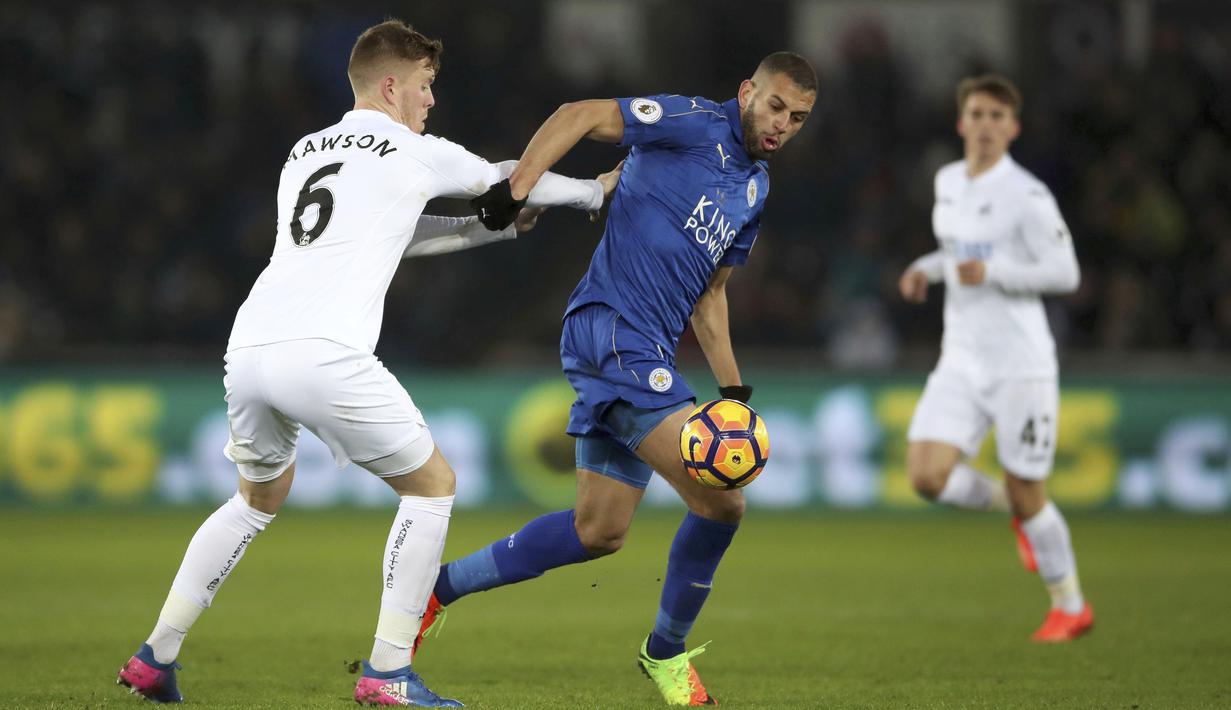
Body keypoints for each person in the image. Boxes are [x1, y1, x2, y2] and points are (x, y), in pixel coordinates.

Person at [116, 19, 619, 706]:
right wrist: (593, 192)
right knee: (432, 485)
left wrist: (483, 230)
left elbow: (393, 238)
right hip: (324, 351)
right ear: (391, 84)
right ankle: (387, 672)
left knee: (255, 500)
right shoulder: (413, 150)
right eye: (424, 85)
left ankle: (155, 656)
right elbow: (512, 179)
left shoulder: (304, 151)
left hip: (252, 344)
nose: (430, 101)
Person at [417, 53, 817, 706]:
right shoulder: (687, 121)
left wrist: (735, 397)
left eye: (797, 118)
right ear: (746, 92)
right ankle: (664, 653)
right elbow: (576, 116)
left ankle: (435, 589)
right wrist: (516, 188)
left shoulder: (755, 189)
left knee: (596, 531)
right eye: (774, 105)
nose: (781, 124)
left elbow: (711, 298)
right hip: (612, 331)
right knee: (722, 499)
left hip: (645, 348)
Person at [897, 74, 1092, 642]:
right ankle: (1014, 507)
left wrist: (999, 274)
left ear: (1013, 128)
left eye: (996, 117)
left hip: (1019, 364)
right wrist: (925, 269)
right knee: (926, 476)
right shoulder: (948, 180)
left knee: (1034, 492)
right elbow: (958, 250)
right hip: (961, 356)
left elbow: (1066, 273)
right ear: (962, 124)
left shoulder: (1028, 196)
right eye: (976, 115)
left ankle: (1070, 604)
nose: (985, 126)